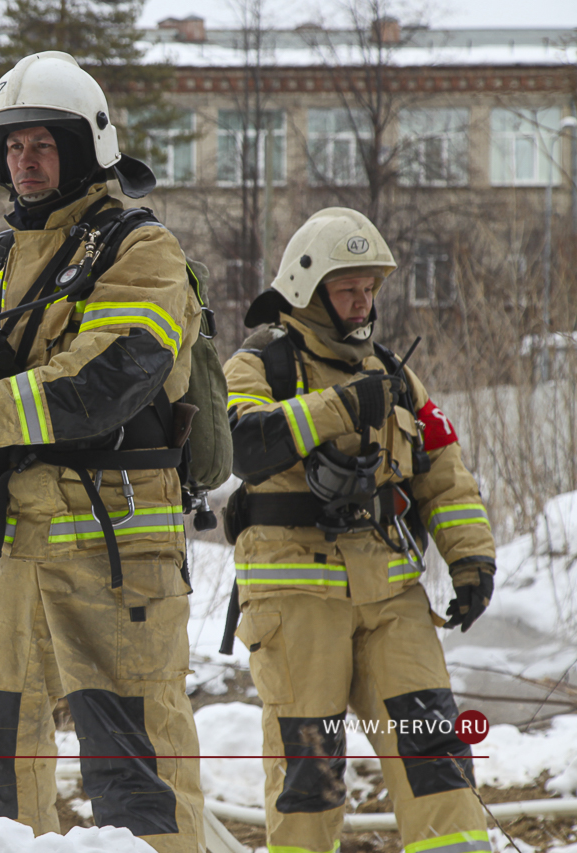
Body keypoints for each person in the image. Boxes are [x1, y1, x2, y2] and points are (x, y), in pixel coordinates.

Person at [0, 51, 204, 851]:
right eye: (12, 145)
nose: (25, 160)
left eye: (44, 143)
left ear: (87, 147)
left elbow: (96, 386)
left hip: (115, 547)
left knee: (134, 772)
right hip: (9, 547)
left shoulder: (142, 250)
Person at [223, 207, 495, 853]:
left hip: (391, 593)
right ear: (306, 287)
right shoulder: (260, 363)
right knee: (309, 774)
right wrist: (338, 409)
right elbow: (241, 444)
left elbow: (443, 472)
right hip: (295, 600)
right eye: (348, 288)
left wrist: (472, 559)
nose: (362, 302)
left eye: (369, 288)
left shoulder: (394, 374)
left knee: (434, 751)